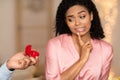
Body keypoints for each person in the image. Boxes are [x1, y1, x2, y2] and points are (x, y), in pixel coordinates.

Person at [45, 0, 113, 80]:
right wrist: (82, 59)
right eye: (71, 19)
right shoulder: (55, 45)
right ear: (66, 22)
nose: (77, 23)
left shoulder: (105, 49)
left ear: (91, 16)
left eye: (82, 17)